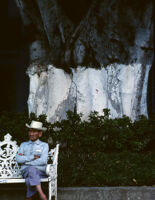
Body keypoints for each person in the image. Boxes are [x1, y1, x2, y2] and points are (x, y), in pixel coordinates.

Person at [16, 120, 49, 200]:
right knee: (31, 170)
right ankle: (41, 194)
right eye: (30, 131)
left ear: (40, 134)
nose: (31, 134)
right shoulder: (23, 145)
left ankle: (29, 197)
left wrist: (26, 162)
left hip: (40, 172)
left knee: (29, 178)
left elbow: (43, 161)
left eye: (34, 131)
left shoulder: (44, 145)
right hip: (26, 171)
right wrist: (32, 157)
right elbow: (19, 159)